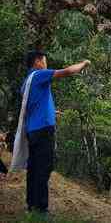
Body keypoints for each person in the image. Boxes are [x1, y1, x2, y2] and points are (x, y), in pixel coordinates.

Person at [21, 51, 90, 215]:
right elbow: (68, 71)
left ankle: (31, 205)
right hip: (43, 130)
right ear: (38, 61)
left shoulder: (27, 81)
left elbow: (33, 105)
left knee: (34, 168)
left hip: (33, 130)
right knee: (44, 168)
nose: (46, 64)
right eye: (45, 60)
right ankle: (41, 209)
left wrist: (53, 111)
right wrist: (84, 63)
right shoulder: (39, 75)